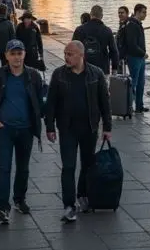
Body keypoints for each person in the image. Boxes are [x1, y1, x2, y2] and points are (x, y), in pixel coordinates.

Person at [44, 40, 112, 222]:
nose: (66, 57)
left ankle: (83, 195)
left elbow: (104, 103)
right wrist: (49, 126)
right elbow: (51, 103)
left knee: (87, 164)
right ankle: (68, 205)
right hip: (67, 128)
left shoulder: (95, 74)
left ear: (81, 55)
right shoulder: (59, 75)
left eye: (70, 54)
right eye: (65, 53)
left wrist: (107, 127)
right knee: (68, 167)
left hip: (89, 127)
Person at [0, 39, 44, 224]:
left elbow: (40, 101)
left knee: (23, 168)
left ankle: (19, 199)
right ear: (7, 56)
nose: (17, 57)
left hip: (26, 129)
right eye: (13, 53)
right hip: (5, 129)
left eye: (19, 53)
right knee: (4, 168)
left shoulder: (33, 76)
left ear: (24, 54)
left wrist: (44, 121)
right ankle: (3, 207)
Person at [72, 5, 119, 75]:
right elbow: (114, 51)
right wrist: (114, 69)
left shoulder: (79, 29)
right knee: (102, 85)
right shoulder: (107, 30)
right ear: (102, 16)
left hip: (83, 67)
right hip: (102, 68)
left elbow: (72, 49)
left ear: (90, 14)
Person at [124, 3, 149, 113]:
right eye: (144, 12)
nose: (145, 15)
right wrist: (142, 53)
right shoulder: (132, 25)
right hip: (134, 58)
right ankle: (128, 106)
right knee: (133, 83)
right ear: (137, 12)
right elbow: (132, 44)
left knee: (141, 83)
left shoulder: (137, 24)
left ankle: (139, 106)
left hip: (140, 58)